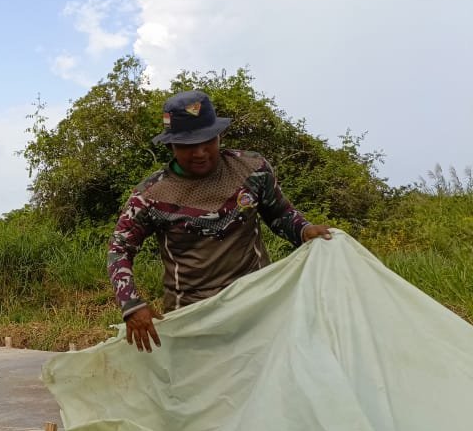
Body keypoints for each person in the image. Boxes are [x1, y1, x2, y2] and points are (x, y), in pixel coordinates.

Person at [107, 90, 332, 353]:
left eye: (208, 141)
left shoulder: (253, 169)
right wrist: (131, 303)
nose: (201, 152)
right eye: (189, 145)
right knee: (200, 391)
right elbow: (119, 249)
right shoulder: (150, 196)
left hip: (257, 306)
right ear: (171, 146)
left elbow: (280, 214)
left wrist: (304, 230)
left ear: (218, 136)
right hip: (194, 318)